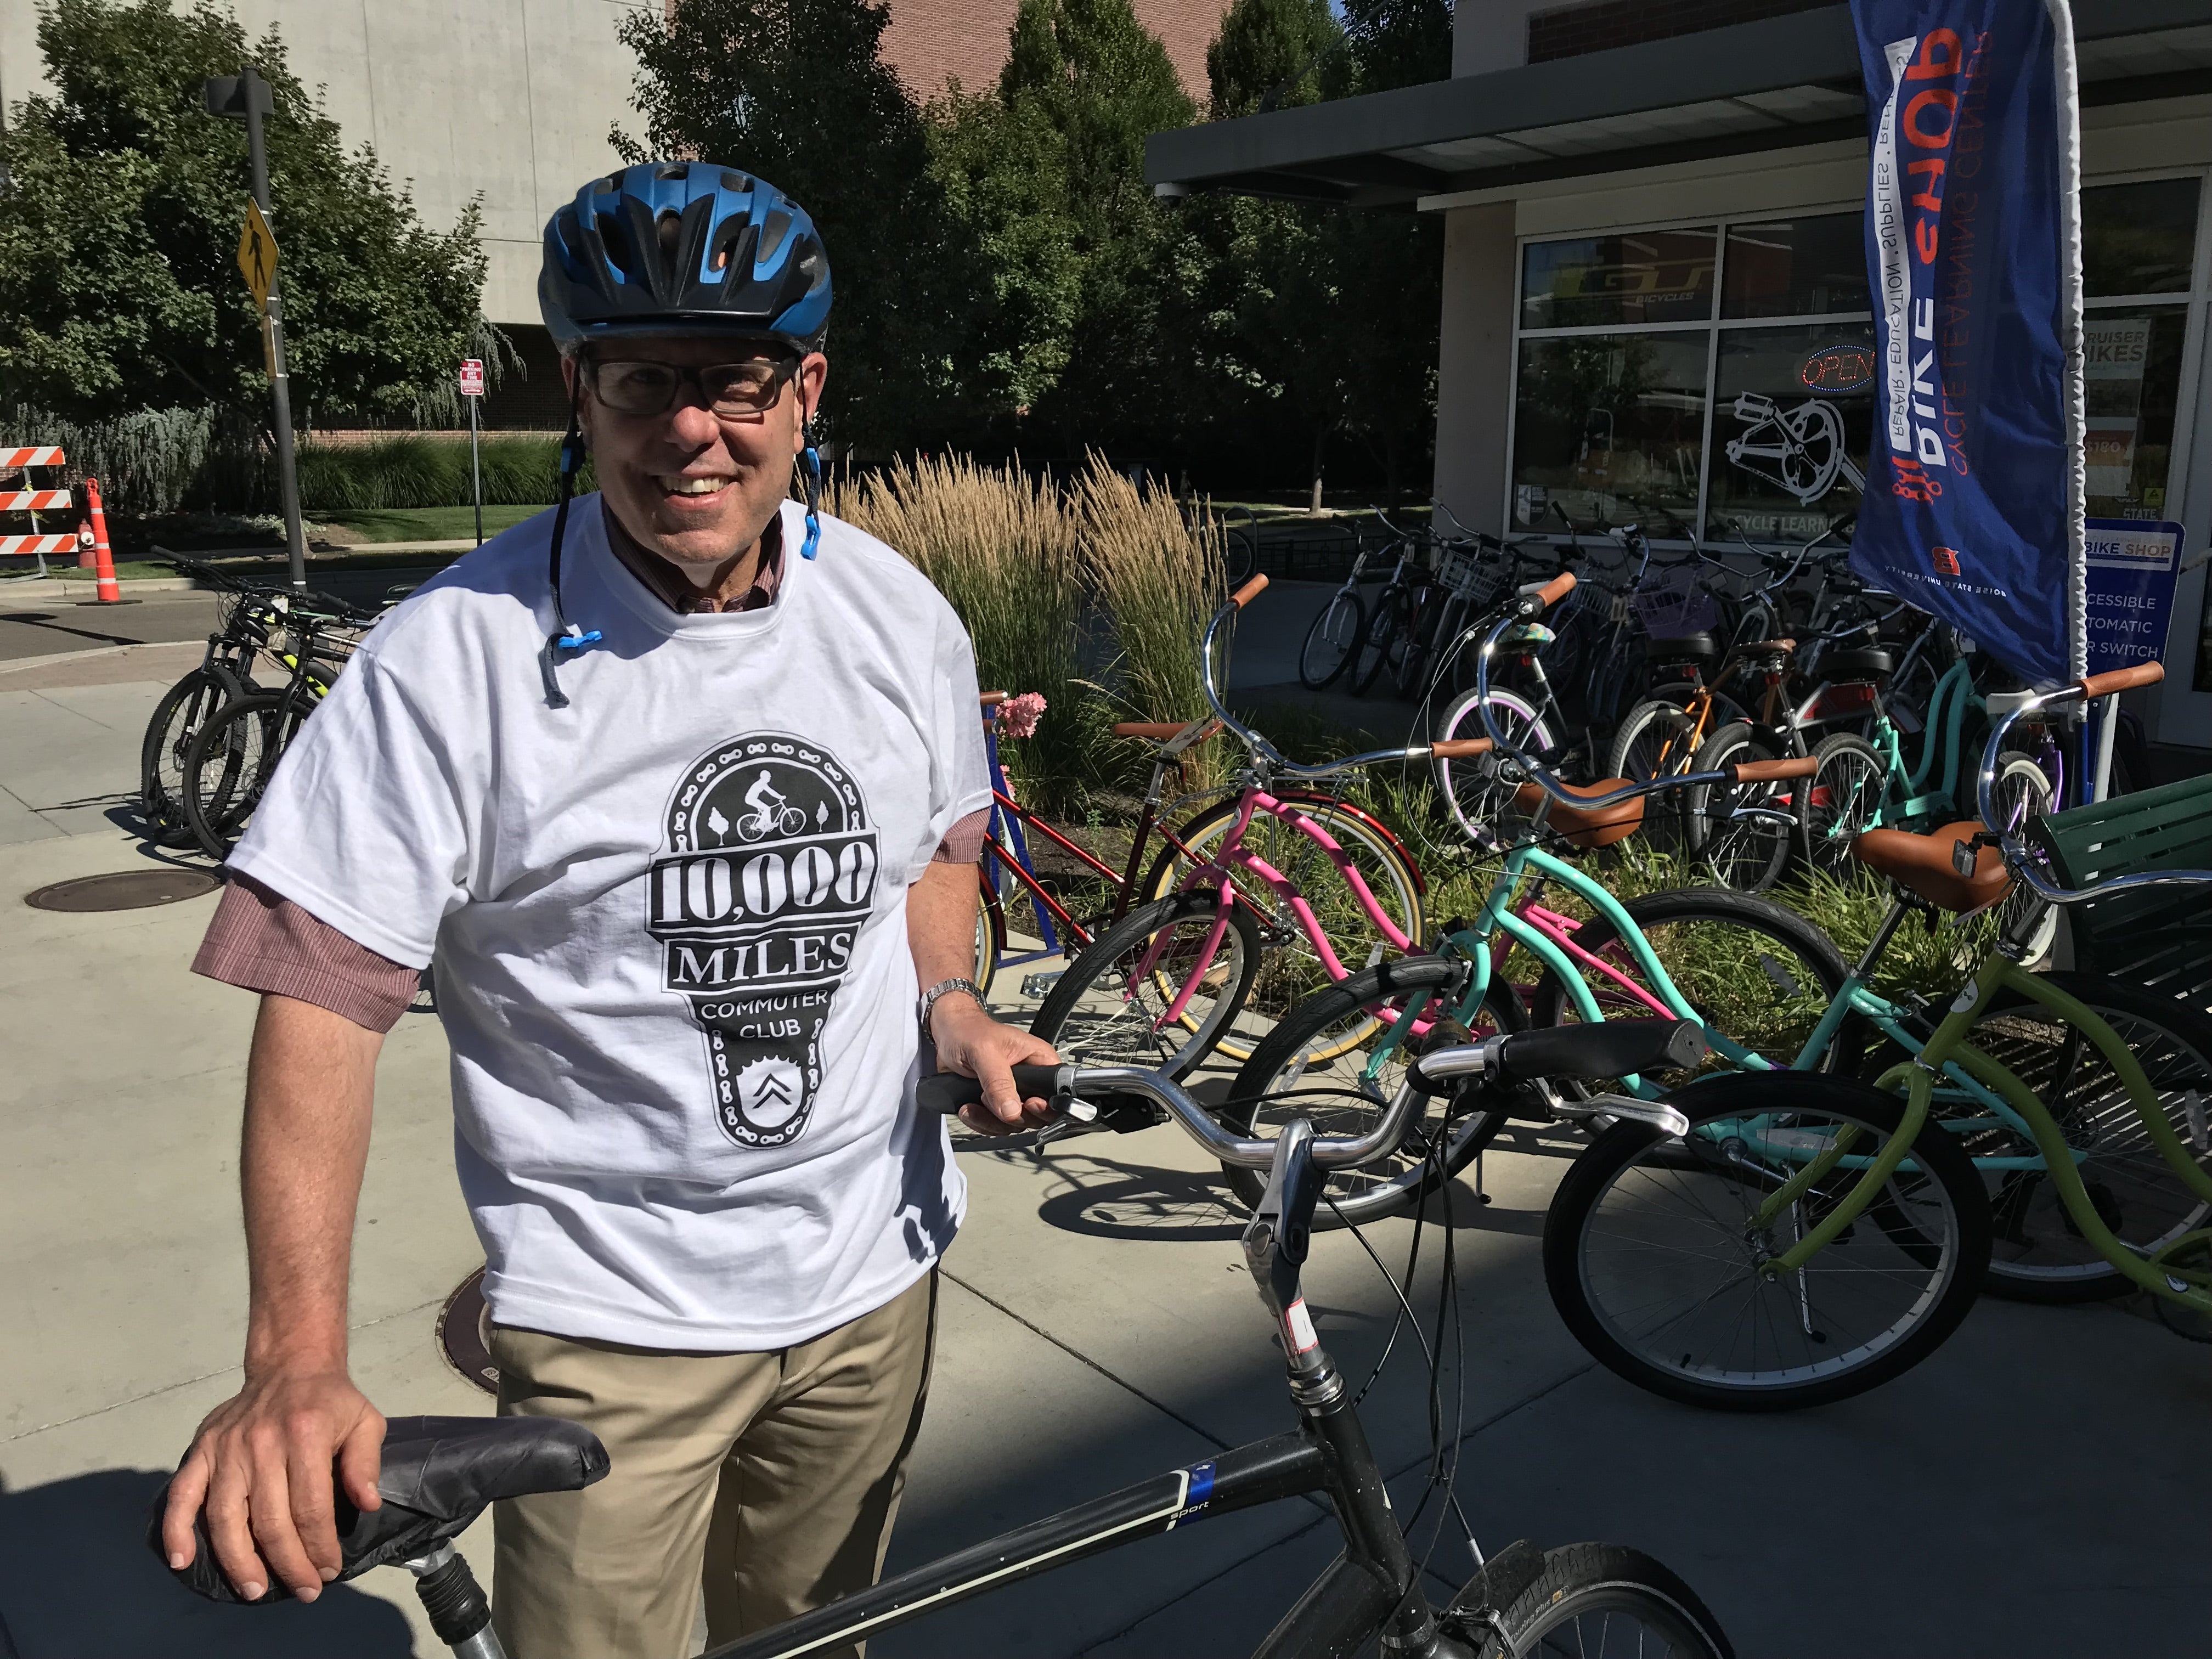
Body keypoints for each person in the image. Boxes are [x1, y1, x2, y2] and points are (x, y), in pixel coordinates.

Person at [157, 162, 1059, 1658]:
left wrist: (950, 1004)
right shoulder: (452, 659)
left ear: (808, 391)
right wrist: (293, 1361)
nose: (691, 430)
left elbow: (944, 838)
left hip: (872, 1284)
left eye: (736, 380)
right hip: (611, 1324)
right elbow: (319, 988)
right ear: (579, 391)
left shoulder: (901, 618)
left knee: (819, 1641)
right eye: (644, 379)